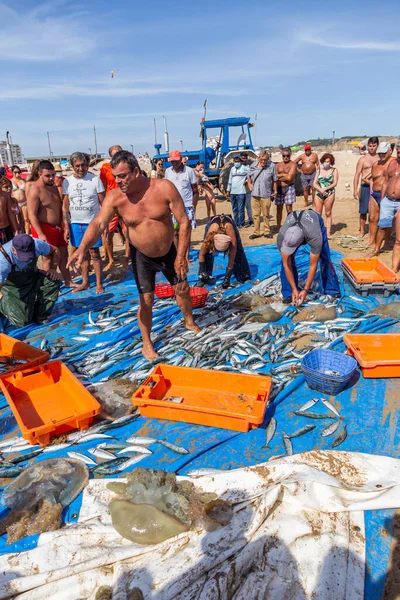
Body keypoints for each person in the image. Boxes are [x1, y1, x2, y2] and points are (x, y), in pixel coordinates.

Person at [67, 151, 199, 360]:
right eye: (115, 177)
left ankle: (189, 321)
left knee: (182, 289)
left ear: (136, 171)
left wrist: (181, 255)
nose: (118, 181)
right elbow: (99, 223)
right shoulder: (116, 198)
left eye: (122, 176)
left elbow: (184, 221)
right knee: (146, 301)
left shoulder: (163, 187)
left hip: (169, 252)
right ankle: (147, 344)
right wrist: (82, 247)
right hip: (142, 256)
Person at [62, 152, 105, 294]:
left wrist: (103, 224)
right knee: (82, 254)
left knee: (95, 253)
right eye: (78, 166)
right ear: (72, 166)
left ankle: (99, 283)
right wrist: (66, 226)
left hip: (92, 223)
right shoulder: (67, 182)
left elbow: (103, 203)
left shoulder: (95, 180)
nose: (81, 168)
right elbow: (65, 206)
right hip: (75, 224)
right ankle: (85, 282)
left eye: (84, 165)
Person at [27, 160, 74, 288]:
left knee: (63, 255)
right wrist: (41, 233)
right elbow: (31, 214)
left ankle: (68, 281)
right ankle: (51, 286)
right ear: (39, 173)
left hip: (57, 227)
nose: (51, 178)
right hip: (44, 227)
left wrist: (65, 225)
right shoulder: (35, 190)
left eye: (53, 175)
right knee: (48, 258)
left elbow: (60, 208)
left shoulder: (53, 186)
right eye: (47, 175)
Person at [278, 209, 340, 305]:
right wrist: (294, 289)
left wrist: (306, 290)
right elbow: (287, 265)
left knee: (325, 257)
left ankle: (331, 289)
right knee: (285, 261)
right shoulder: (281, 236)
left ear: (302, 242)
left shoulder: (314, 236)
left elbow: (313, 265)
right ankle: (289, 293)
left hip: (313, 221)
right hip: (296, 222)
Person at [0, 233, 60, 327]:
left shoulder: (37, 244)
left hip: (32, 277)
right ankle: (3, 305)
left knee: (53, 281)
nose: (27, 259)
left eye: (29, 255)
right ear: (13, 250)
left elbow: (55, 250)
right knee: (22, 322)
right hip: (14, 288)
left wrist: (53, 268)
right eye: (23, 256)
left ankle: (40, 316)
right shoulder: (2, 261)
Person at [368, 142, 400, 270]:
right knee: (382, 225)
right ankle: (376, 249)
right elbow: (386, 182)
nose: (399, 154)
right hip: (388, 199)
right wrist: (382, 200)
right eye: (398, 151)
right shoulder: (392, 164)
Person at [197, 214, 251, 288]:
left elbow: (232, 257)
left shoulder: (231, 237)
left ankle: (243, 276)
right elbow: (201, 254)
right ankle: (204, 278)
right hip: (213, 223)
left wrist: (227, 279)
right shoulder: (210, 236)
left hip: (229, 223)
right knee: (207, 254)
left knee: (238, 253)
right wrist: (202, 271)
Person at [100, 145, 123, 271]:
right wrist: (103, 203)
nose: (117, 156)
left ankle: (127, 257)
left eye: (119, 153)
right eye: (115, 154)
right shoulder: (105, 168)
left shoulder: (127, 165)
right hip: (111, 202)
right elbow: (102, 186)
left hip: (126, 201)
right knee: (107, 232)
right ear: (110, 156)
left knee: (128, 231)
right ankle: (110, 259)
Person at [368, 142, 395, 249]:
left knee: (386, 220)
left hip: (387, 195)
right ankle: (371, 240)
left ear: (390, 151)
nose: (381, 155)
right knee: (373, 218)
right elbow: (373, 180)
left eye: (384, 153)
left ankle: (386, 242)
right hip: (374, 193)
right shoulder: (375, 164)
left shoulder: (394, 163)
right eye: (380, 153)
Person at [165, 149, 198, 230]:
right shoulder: (168, 172)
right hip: (173, 207)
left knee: (187, 229)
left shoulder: (189, 171)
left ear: (180, 159)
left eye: (176, 161)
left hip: (187, 206)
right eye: (172, 161)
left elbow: (195, 191)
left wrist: (193, 205)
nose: (174, 163)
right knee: (175, 230)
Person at [247, 150, 277, 240]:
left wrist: (275, 191)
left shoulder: (272, 166)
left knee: (266, 214)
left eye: (265, 159)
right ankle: (256, 232)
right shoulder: (253, 165)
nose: (263, 161)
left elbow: (275, 179)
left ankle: (266, 231)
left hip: (266, 194)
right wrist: (249, 184)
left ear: (267, 159)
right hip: (255, 194)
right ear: (259, 158)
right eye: (262, 159)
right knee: (255, 215)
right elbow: (248, 175)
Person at [353, 136, 379, 238]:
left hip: (377, 186)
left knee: (376, 211)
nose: (372, 148)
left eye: (374, 146)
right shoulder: (363, 159)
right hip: (365, 187)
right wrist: (355, 190)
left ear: (377, 146)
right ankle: (362, 231)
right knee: (363, 210)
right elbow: (357, 175)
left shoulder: (380, 158)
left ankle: (374, 231)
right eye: (370, 146)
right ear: (367, 146)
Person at [312, 153, 338, 238]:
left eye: (328, 162)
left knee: (328, 213)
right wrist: (321, 190)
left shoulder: (334, 170)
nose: (327, 163)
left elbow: (335, 183)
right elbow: (314, 183)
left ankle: (328, 232)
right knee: (318, 213)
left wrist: (326, 189)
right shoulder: (319, 170)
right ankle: (318, 231)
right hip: (319, 193)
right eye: (325, 161)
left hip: (329, 193)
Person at [276, 148, 297, 229]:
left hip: (289, 187)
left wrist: (279, 176)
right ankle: (278, 226)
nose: (286, 157)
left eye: (287, 156)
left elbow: (289, 178)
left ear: (290, 155)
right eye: (284, 156)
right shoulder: (278, 165)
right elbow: (274, 177)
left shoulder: (293, 164)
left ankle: (290, 225)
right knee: (279, 208)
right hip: (279, 188)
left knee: (289, 208)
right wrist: (284, 175)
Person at [226, 156, 249, 228]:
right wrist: (228, 190)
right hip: (233, 192)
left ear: (240, 161)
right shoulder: (232, 169)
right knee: (234, 208)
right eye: (235, 161)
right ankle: (236, 223)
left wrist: (247, 180)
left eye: (238, 161)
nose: (236, 163)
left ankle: (241, 223)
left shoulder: (245, 168)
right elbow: (230, 180)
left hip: (241, 192)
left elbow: (251, 174)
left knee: (240, 208)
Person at [0, 177, 19, 242]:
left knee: (8, 250)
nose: (9, 188)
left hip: (6, 228)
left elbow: (11, 215)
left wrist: (16, 229)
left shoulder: (5, 196)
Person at [10, 165, 28, 233]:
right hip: (15, 203)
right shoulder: (10, 181)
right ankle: (21, 234)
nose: (17, 174)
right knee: (18, 221)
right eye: (15, 172)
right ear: (12, 172)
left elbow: (27, 190)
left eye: (18, 172)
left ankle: (27, 234)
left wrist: (23, 181)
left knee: (26, 219)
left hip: (24, 202)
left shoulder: (23, 180)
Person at [240, 152, 254, 227]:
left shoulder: (249, 168)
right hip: (240, 190)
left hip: (247, 189)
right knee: (241, 206)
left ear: (247, 158)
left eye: (244, 158)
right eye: (242, 158)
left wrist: (247, 181)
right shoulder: (237, 168)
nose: (243, 159)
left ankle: (250, 220)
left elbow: (252, 176)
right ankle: (241, 221)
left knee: (248, 205)